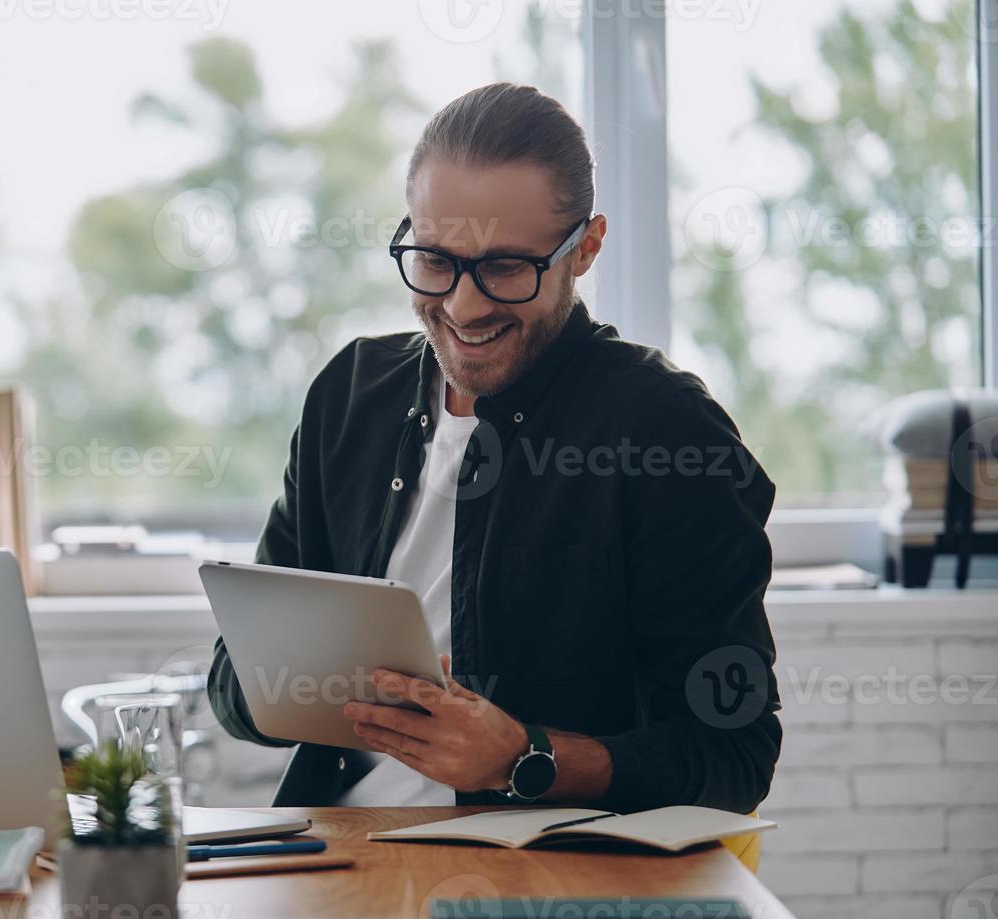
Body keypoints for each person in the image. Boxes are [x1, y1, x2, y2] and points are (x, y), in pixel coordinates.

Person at [207, 82, 781, 812]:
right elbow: (231, 685)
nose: (463, 306)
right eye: (435, 260)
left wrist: (523, 758)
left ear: (586, 249)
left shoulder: (667, 433)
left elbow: (733, 756)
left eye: (506, 267)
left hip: (544, 879)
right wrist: (292, 683)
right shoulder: (347, 396)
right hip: (337, 860)